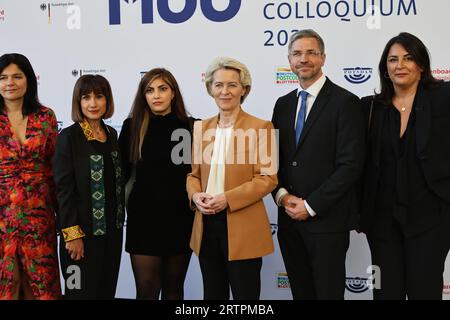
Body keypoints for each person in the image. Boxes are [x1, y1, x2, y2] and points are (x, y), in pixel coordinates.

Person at [271, 29, 365, 300]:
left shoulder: (346, 102)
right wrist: (282, 195)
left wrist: (310, 206)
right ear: (289, 60)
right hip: (288, 221)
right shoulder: (283, 105)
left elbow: (350, 165)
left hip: (327, 222)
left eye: (311, 53)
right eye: (297, 53)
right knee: (301, 293)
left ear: (323, 58)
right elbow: (272, 159)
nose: (304, 59)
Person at [360, 32, 450, 300]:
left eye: (408, 58)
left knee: (425, 290)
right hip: (382, 221)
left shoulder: (444, 98)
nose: (400, 65)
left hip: (432, 218)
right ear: (385, 69)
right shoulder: (370, 108)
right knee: (386, 293)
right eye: (393, 59)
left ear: (421, 65)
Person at [187, 57, 278, 300]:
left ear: (244, 89)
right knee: (212, 295)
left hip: (243, 226)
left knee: (245, 297)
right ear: (210, 89)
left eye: (232, 85)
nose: (224, 91)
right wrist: (195, 195)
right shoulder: (200, 128)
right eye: (218, 85)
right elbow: (192, 175)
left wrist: (227, 198)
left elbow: (267, 178)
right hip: (206, 225)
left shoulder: (261, 127)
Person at [119, 68, 195, 300]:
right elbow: (120, 175)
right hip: (143, 220)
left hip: (181, 218)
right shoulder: (131, 126)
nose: (156, 95)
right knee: (146, 289)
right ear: (143, 96)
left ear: (173, 93)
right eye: (150, 90)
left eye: (163, 88)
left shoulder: (193, 126)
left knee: (174, 289)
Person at [53, 74, 124, 299]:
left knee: (106, 292)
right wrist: (72, 235)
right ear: (78, 102)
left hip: (112, 235)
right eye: (86, 97)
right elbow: (63, 191)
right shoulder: (68, 138)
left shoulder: (112, 134)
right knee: (78, 294)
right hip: (80, 239)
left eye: (99, 96)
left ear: (107, 101)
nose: (93, 103)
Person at [0, 53, 61, 300]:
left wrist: (64, 218)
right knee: (7, 284)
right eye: (3, 77)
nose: (9, 83)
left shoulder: (46, 117)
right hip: (2, 216)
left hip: (39, 215)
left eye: (17, 76)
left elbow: (55, 168)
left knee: (41, 286)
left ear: (29, 80)